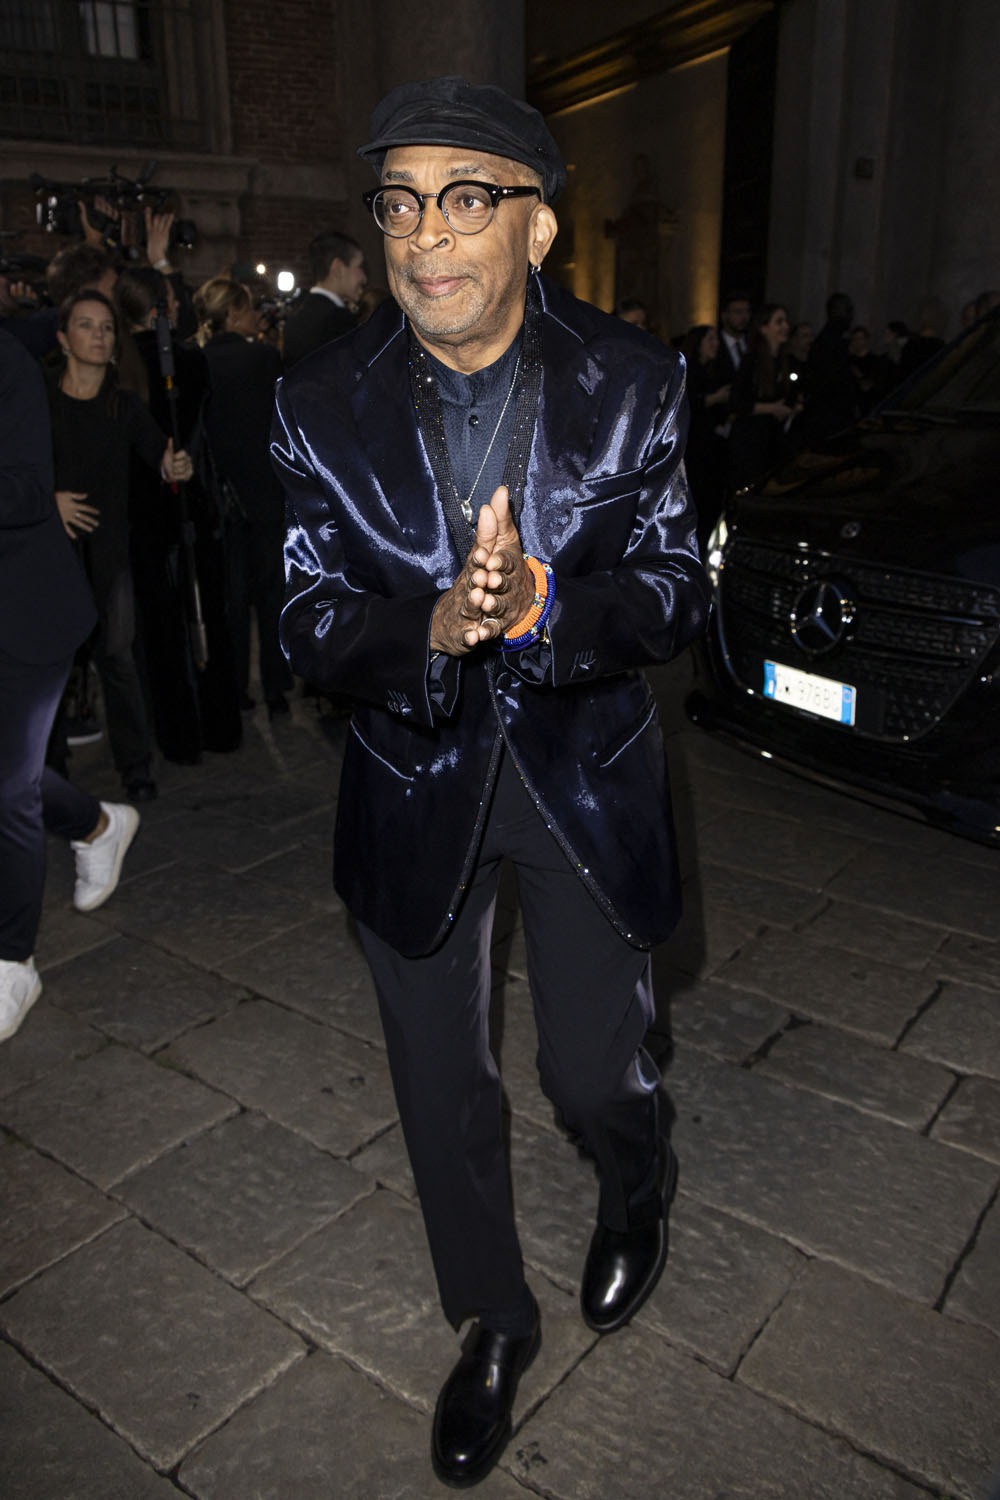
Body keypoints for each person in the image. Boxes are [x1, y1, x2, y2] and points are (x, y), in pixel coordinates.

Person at [272, 76, 709, 1488]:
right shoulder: (316, 400)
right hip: (411, 779)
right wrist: (432, 627)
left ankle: (636, 1177)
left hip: (583, 775)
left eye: (466, 199)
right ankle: (492, 1317)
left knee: (590, 1069)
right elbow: (306, 617)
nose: (425, 237)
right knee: (438, 1082)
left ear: (538, 227)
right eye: (401, 204)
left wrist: (541, 610)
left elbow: (674, 591)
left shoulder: (635, 382)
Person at [0, 328, 140, 1041]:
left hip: (25, 610)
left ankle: (12, 961)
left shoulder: (8, 364)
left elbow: (29, 487)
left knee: (8, 787)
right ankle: (96, 824)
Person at [48, 290, 193, 800]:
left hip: (110, 553)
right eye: (86, 325)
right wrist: (50, 501)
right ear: (63, 338)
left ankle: (135, 764)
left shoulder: (123, 404)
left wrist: (173, 465)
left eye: (107, 327)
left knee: (118, 658)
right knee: (53, 667)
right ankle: (50, 769)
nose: (99, 335)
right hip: (51, 555)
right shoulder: (41, 401)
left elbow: (159, 453)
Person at [194, 276, 292, 717]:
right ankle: (276, 690)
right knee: (271, 597)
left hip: (220, 499)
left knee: (232, 600)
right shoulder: (264, 357)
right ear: (232, 313)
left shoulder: (197, 360)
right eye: (249, 307)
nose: (256, 315)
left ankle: (235, 689)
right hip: (265, 494)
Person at [728, 302, 797, 490]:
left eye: (786, 321)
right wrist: (773, 408)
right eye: (779, 322)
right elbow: (736, 403)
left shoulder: (784, 361)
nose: (785, 326)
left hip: (772, 439)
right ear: (764, 328)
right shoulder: (751, 361)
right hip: (751, 440)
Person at [281, 230, 367, 367]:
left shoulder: (294, 317)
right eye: (359, 267)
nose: (364, 278)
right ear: (338, 268)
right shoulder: (338, 320)